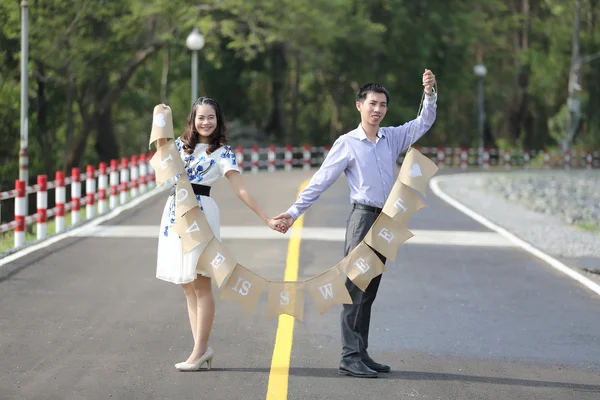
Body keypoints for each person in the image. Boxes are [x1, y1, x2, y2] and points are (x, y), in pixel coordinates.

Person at [274, 70, 437, 378]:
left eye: (383, 105)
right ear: (359, 105)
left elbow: (423, 123)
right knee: (353, 287)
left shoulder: (392, 136)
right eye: (372, 103)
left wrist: (429, 94)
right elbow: (320, 181)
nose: (378, 110)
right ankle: (349, 356)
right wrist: (293, 213)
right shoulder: (347, 143)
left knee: (371, 288)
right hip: (362, 219)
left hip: (387, 219)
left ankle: (361, 352)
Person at [154, 98, 286, 371]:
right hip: (175, 213)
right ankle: (201, 348)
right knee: (187, 284)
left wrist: (266, 218)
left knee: (201, 284)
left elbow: (241, 189)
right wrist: (161, 118)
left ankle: (199, 351)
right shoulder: (181, 145)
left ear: (218, 120)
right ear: (192, 119)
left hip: (201, 215)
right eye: (200, 117)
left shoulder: (222, 152)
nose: (206, 122)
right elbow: (163, 154)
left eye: (211, 117)